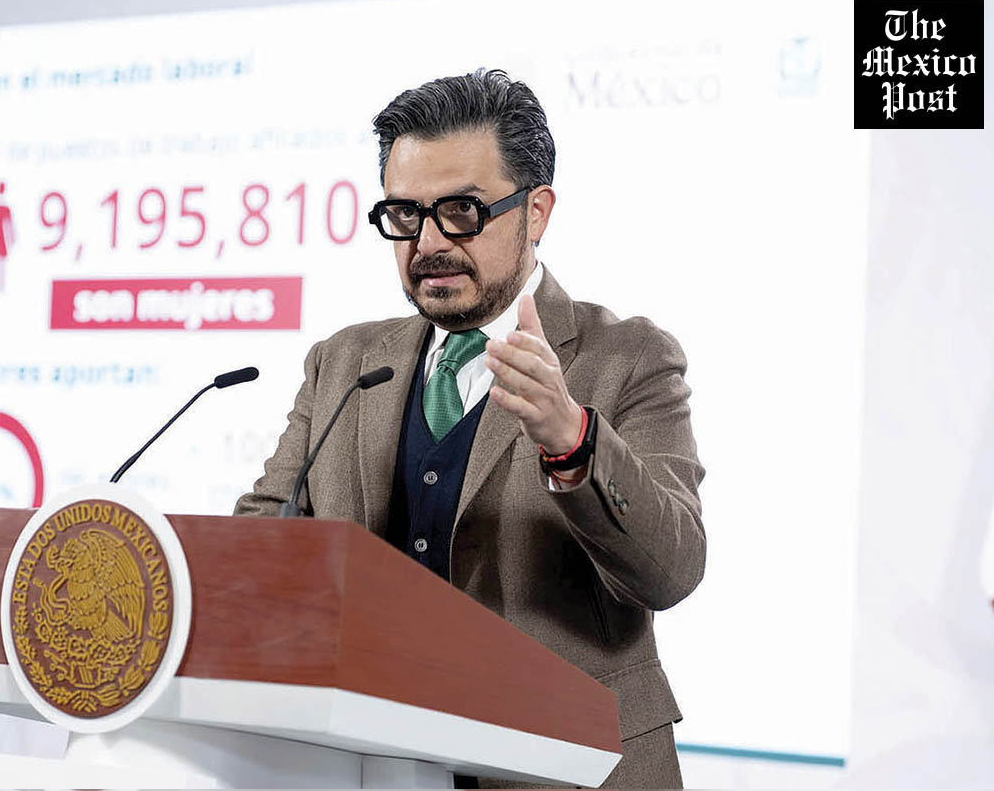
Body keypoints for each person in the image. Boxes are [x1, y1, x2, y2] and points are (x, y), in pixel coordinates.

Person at [234, 69, 705, 789]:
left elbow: (671, 569)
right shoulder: (344, 362)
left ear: (536, 212)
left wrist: (572, 438)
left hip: (566, 771)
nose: (428, 242)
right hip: (370, 766)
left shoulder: (629, 357)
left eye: (461, 210)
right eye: (404, 214)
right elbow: (260, 545)